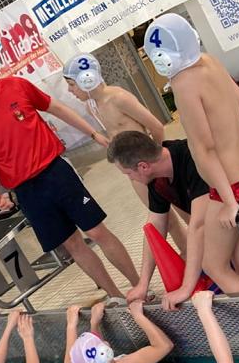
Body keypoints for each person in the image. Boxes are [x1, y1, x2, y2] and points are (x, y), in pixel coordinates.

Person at [0, 60, 139, 299]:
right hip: (27, 193)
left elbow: (57, 108)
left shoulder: (15, 86)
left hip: (55, 173)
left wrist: (93, 133)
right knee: (73, 245)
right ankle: (115, 296)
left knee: (97, 232)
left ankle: (139, 285)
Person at [142, 14, 239, 294]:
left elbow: (205, 149)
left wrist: (228, 201)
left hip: (229, 187)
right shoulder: (210, 61)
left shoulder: (183, 84)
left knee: (213, 265)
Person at [111, 131, 239, 309]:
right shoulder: (157, 178)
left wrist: (186, 288)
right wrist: (143, 284)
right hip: (232, 221)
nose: (130, 179)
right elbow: (154, 228)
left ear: (143, 166)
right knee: (232, 269)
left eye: (128, 174)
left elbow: (198, 225)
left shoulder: (192, 158)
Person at [63, 53, 187, 254]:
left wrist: (157, 157)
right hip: (134, 171)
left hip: (152, 165)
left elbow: (156, 126)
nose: (70, 90)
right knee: (163, 217)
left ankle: (209, 253)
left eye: (71, 84)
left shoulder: (119, 98)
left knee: (185, 209)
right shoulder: (92, 106)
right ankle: (189, 254)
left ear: (87, 79)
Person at [69, 299, 173, 363]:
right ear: (103, 354)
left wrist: (94, 323)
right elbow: (165, 346)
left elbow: (95, 357)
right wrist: (138, 316)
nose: (98, 339)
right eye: (97, 342)